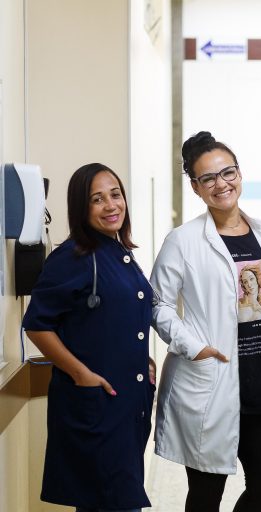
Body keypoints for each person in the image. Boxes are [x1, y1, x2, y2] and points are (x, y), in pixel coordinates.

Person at [151, 132, 261, 512]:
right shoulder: (183, 240)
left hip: (259, 376)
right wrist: (194, 347)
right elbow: (157, 303)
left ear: (240, 174)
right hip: (212, 379)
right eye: (208, 178)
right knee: (206, 494)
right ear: (196, 188)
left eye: (227, 172)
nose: (220, 183)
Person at [23, 163, 155, 512]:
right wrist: (80, 373)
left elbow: (118, 318)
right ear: (81, 208)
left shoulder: (119, 253)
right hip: (98, 404)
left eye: (116, 194)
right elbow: (37, 325)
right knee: (109, 501)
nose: (111, 205)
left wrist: (145, 362)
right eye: (97, 199)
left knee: (114, 500)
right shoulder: (72, 258)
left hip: (124, 403)